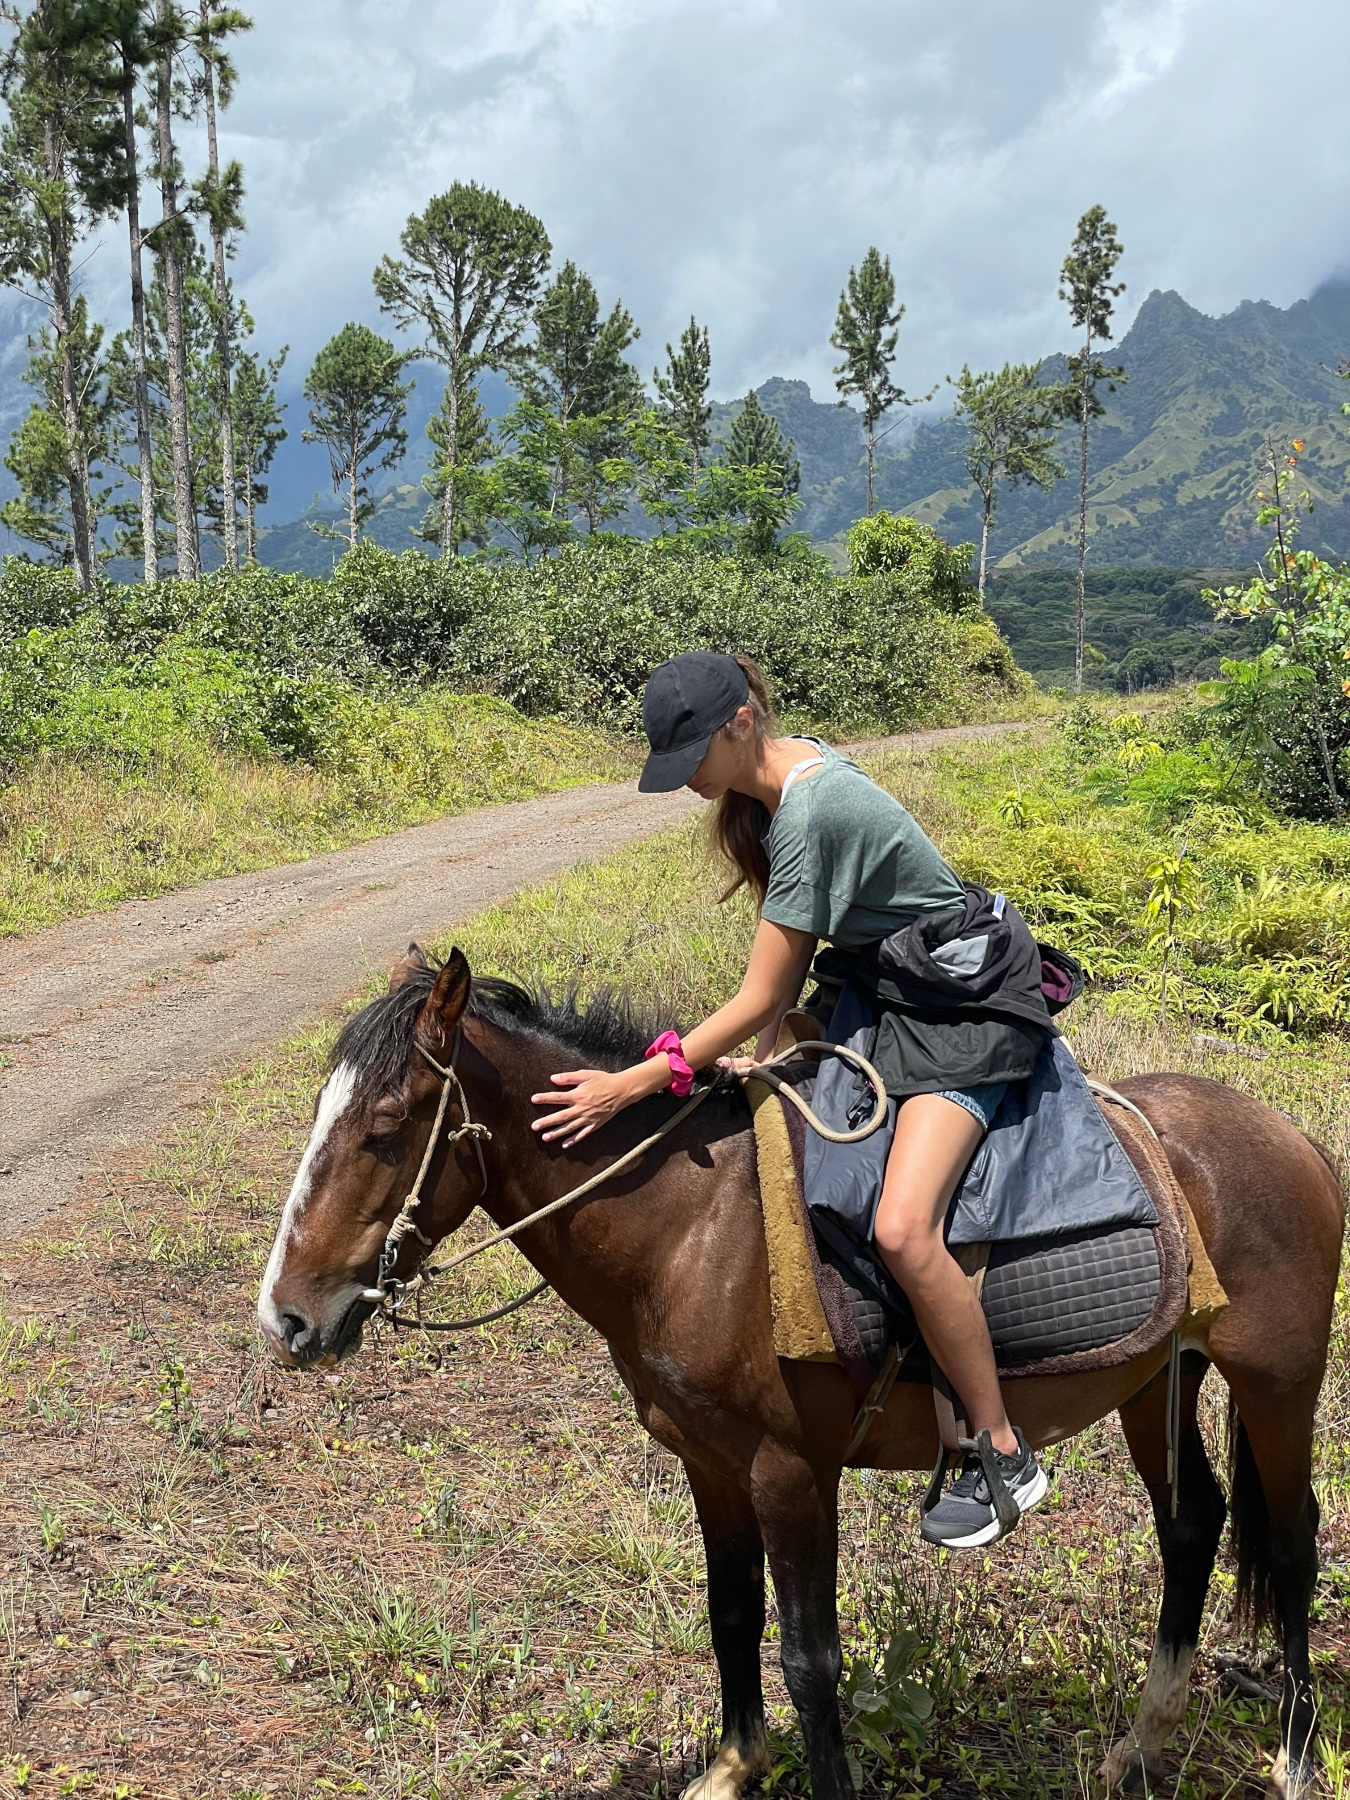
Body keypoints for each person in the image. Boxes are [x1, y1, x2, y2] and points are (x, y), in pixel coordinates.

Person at [530, 651, 1051, 1547]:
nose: (690, 782)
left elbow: (760, 997)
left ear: (740, 725)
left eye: (693, 757)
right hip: (880, 993)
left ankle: (1002, 1450)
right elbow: (789, 976)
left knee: (903, 1228)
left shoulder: (807, 811)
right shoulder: (774, 788)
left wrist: (634, 1082)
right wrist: (763, 1060)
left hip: (952, 1007)